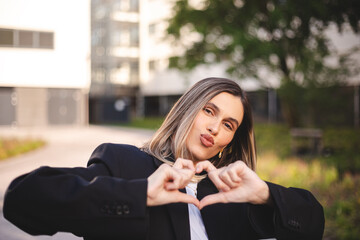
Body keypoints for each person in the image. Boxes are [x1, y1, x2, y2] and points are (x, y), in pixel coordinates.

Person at [3, 77, 324, 240]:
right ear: (187, 110)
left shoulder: (233, 196)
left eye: (228, 124)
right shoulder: (125, 163)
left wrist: (265, 194)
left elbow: (313, 224)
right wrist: (139, 194)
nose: (214, 127)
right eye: (209, 110)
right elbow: (22, 200)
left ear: (230, 140)